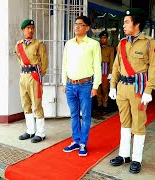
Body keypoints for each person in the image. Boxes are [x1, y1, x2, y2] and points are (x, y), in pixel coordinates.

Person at [108, 8, 155, 173]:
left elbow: (154, 68)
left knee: (138, 123)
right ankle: (124, 155)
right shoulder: (122, 42)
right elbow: (117, 65)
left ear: (136, 24)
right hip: (122, 88)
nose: (123, 25)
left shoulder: (149, 43)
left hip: (138, 89)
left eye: (126, 22)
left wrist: (149, 90)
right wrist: (112, 85)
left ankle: (136, 158)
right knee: (124, 122)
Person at [62, 16, 102, 156]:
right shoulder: (69, 44)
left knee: (85, 115)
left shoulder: (93, 44)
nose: (77, 27)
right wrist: (63, 82)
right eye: (76, 24)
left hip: (85, 85)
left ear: (87, 28)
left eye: (81, 24)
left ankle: (83, 143)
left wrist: (95, 86)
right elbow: (64, 64)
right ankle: (76, 141)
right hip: (70, 84)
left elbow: (97, 66)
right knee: (74, 115)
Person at [15, 19, 48, 143]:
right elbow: (19, 61)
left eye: (32, 28)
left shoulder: (39, 44)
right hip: (23, 76)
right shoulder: (18, 45)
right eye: (28, 28)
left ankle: (41, 132)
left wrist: (38, 76)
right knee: (25, 103)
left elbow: (44, 64)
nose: (31, 30)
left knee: (37, 104)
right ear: (23, 30)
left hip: (34, 77)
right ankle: (30, 130)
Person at [96, 31, 115, 113]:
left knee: (105, 89)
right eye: (101, 38)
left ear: (107, 39)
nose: (103, 39)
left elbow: (111, 61)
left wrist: (110, 73)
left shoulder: (110, 49)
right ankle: (99, 105)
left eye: (104, 38)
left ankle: (105, 105)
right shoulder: (97, 47)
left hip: (105, 71)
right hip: (97, 71)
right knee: (97, 88)